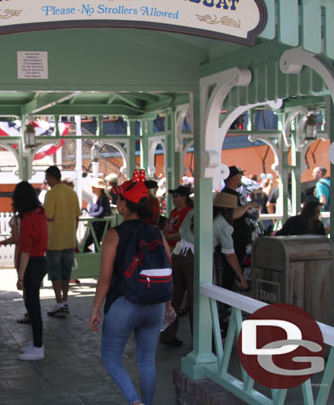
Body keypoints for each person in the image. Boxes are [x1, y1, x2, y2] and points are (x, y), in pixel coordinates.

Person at [89, 171, 171, 405]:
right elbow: (168, 265)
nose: (117, 203)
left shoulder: (115, 234)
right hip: (154, 305)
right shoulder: (156, 232)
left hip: (124, 305)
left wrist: (96, 308)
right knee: (146, 360)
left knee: (111, 358)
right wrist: (168, 303)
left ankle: (135, 402)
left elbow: (105, 278)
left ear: (125, 205)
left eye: (119, 200)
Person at [159, 192, 249, 347]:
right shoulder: (223, 224)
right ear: (230, 210)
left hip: (178, 255)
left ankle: (167, 334)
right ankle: (201, 343)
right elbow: (230, 254)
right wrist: (241, 275)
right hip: (197, 259)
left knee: (174, 297)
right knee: (199, 301)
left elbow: (181, 232)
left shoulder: (194, 212)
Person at [12, 181, 49, 360]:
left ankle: (38, 346)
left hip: (31, 263)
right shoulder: (40, 212)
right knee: (32, 304)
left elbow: (25, 249)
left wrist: (20, 277)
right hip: (41, 260)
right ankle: (36, 342)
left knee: (32, 306)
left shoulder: (27, 218)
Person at [43, 166, 81, 318]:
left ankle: (59, 303)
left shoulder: (51, 194)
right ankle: (65, 302)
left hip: (54, 240)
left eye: (47, 178)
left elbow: (49, 216)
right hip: (69, 239)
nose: (46, 181)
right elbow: (77, 216)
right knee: (66, 273)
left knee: (55, 274)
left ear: (52, 177)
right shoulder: (72, 193)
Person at [220, 166, 258, 291]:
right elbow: (233, 215)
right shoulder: (226, 195)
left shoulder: (236, 194)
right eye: (239, 176)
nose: (241, 178)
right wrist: (247, 206)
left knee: (240, 268)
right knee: (230, 271)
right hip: (233, 238)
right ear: (233, 178)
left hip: (243, 238)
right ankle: (227, 302)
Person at [84, 178, 112, 252]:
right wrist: (89, 215)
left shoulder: (104, 198)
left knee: (94, 247)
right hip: (93, 227)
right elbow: (89, 211)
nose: (92, 189)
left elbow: (101, 212)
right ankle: (93, 260)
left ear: (100, 189)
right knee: (83, 246)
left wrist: (90, 216)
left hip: (101, 228)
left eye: (94, 187)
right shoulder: (93, 198)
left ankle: (96, 260)